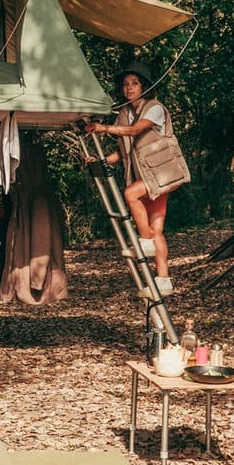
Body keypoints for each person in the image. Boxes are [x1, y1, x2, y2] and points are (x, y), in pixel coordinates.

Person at [84, 61, 189, 295]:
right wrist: (101, 160)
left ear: (145, 87)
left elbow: (134, 131)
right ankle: (163, 279)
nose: (129, 88)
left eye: (134, 83)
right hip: (146, 176)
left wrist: (103, 128)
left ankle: (145, 241)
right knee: (156, 228)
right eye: (125, 84)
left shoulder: (155, 108)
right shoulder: (125, 113)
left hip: (161, 173)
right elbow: (124, 151)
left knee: (130, 194)